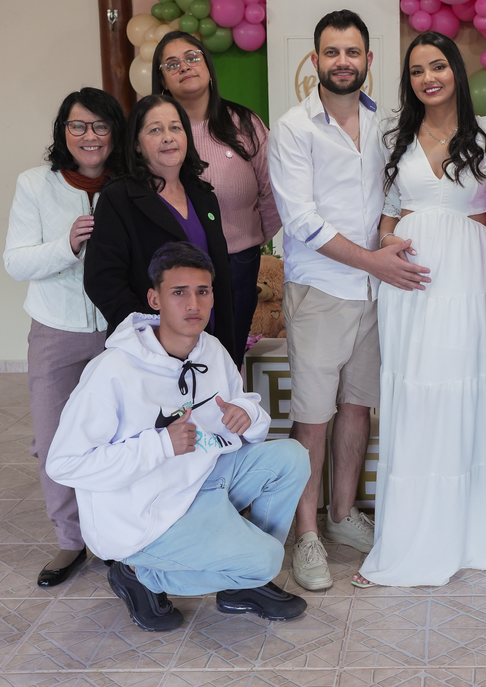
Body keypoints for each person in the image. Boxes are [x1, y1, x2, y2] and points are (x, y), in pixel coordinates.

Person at [47, 242, 310, 631]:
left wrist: (247, 414)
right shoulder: (112, 370)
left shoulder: (210, 349)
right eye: (179, 292)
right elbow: (64, 464)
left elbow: (241, 405)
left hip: (199, 483)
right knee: (267, 559)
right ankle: (139, 573)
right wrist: (160, 445)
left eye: (203, 291)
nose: (193, 304)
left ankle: (241, 580)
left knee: (291, 457)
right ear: (155, 299)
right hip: (145, 516)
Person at [267, 10, 429, 591]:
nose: (342, 62)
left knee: (358, 408)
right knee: (313, 419)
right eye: (332, 52)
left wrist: (389, 243)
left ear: (368, 59)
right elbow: (301, 220)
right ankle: (307, 534)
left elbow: (394, 196)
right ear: (315, 60)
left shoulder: (386, 125)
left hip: (375, 294)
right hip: (321, 291)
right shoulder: (293, 128)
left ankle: (340, 515)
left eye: (352, 52)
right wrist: (372, 260)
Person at [354, 32, 486, 587]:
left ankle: (473, 538)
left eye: (439, 66)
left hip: (469, 276)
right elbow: (387, 210)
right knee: (416, 396)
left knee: (465, 389)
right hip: (409, 278)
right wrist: (385, 250)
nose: (429, 77)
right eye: (418, 70)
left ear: (456, 71)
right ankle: (410, 540)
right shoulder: (392, 133)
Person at [4, 87, 127, 587]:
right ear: (63, 132)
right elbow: (16, 262)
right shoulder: (35, 184)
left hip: (119, 332)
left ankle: (116, 535)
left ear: (115, 133)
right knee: (54, 439)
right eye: (78, 126)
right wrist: (66, 244)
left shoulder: (129, 184)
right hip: (55, 329)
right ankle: (71, 540)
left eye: (100, 126)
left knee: (120, 437)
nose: (89, 136)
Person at [150, 31, 281, 365]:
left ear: (208, 66)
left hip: (238, 263)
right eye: (172, 64)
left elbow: (273, 193)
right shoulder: (153, 133)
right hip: (173, 266)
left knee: (227, 357)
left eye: (192, 57)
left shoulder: (246, 124)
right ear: (162, 80)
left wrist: (249, 238)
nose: (184, 67)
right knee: (176, 360)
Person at [84, 94, 235, 354]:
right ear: (136, 145)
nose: (168, 137)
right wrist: (152, 332)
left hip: (208, 339)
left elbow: (219, 276)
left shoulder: (204, 196)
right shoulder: (118, 198)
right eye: (155, 130)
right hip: (148, 344)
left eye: (175, 128)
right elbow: (102, 280)